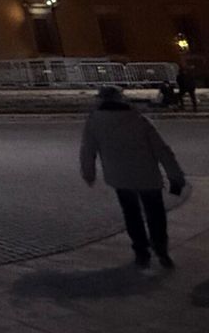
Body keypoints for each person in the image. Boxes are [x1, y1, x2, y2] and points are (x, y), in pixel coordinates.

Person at [80, 85, 186, 269]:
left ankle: (141, 251)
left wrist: (89, 173)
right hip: (147, 175)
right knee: (155, 214)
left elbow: (88, 150)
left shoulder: (94, 121)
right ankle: (161, 250)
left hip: (119, 176)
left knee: (131, 214)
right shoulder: (138, 119)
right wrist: (175, 176)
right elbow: (162, 150)